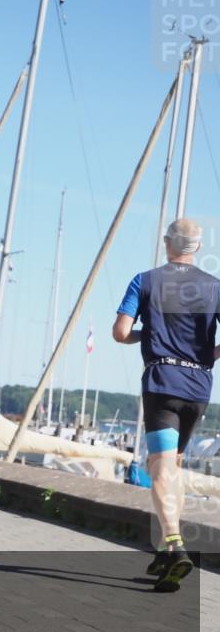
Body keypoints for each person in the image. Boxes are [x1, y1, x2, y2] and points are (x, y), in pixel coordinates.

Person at [112, 218, 219, 592]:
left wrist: (148, 335)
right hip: (199, 387)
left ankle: (174, 544)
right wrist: (208, 355)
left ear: (166, 242)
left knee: (159, 467)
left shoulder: (145, 280)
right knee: (173, 467)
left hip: (162, 383)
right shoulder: (215, 286)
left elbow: (120, 333)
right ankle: (163, 549)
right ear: (198, 247)